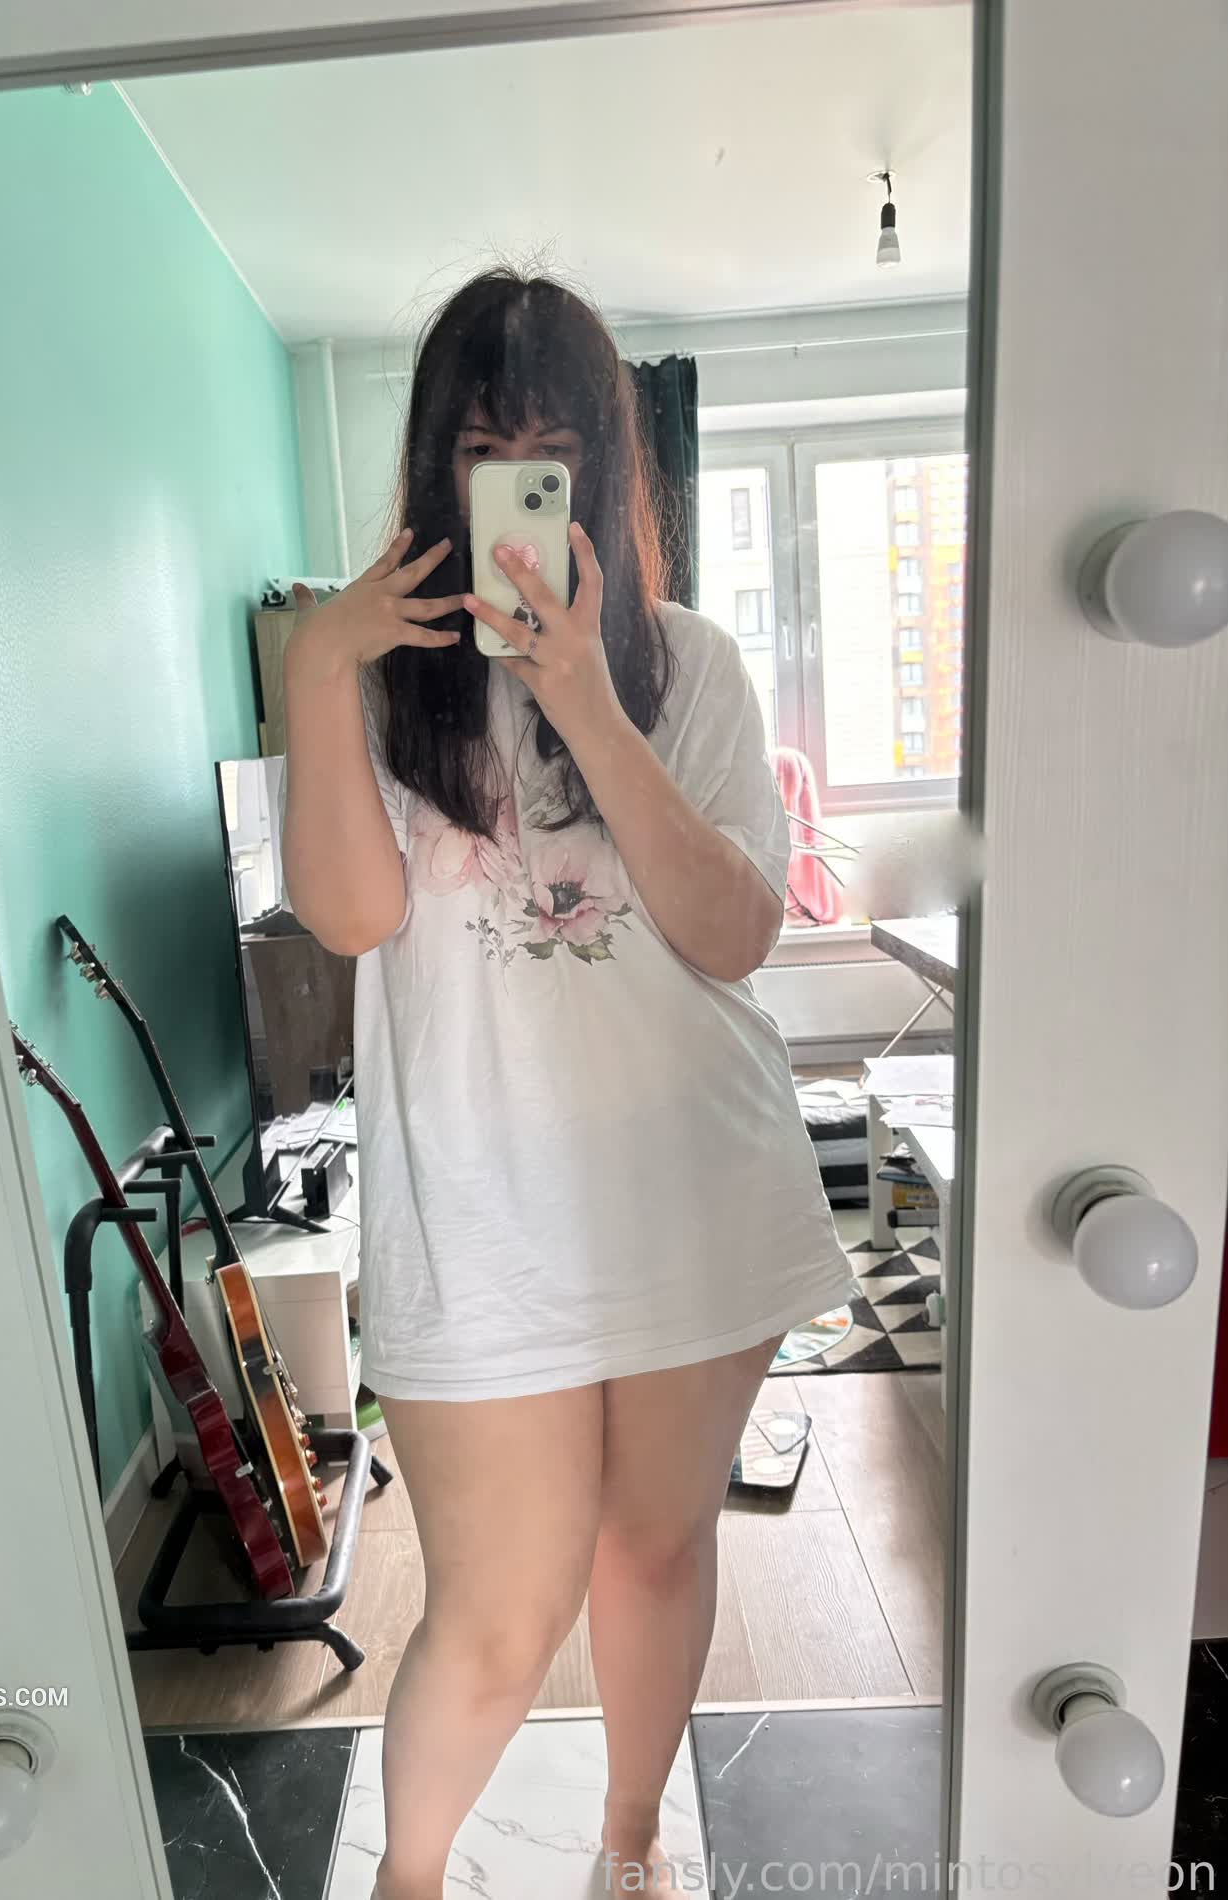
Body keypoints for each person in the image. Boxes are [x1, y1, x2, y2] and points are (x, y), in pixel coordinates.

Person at [280, 269, 857, 1899]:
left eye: (551, 447)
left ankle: (628, 1845)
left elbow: (734, 936)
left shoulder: (690, 667)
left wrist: (592, 703)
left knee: (655, 1548)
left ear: (604, 463)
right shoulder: (375, 680)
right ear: (435, 467)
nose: (518, 479)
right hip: (476, 1213)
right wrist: (314, 670)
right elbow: (351, 918)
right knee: (495, 1610)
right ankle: (407, 1881)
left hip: (690, 1190)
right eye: (484, 448)